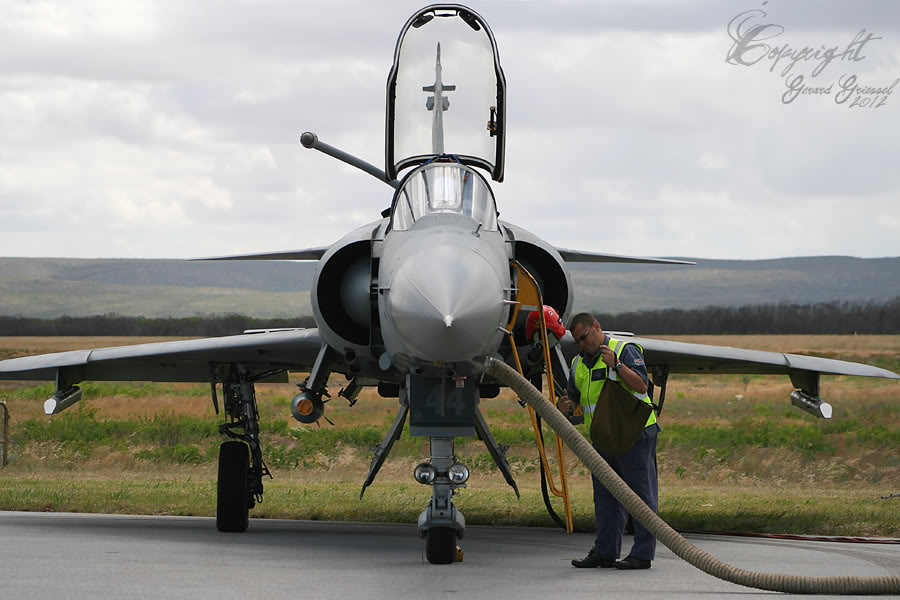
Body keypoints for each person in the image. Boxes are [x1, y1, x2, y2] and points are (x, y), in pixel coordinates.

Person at [557, 312, 659, 570]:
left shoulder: (624, 350)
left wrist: (617, 366)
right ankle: (604, 552)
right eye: (578, 340)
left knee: (640, 496)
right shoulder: (577, 365)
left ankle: (642, 554)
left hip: (633, 434)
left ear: (597, 327)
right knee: (605, 498)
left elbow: (642, 386)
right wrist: (566, 407)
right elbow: (577, 407)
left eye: (585, 337)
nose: (583, 344)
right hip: (603, 440)